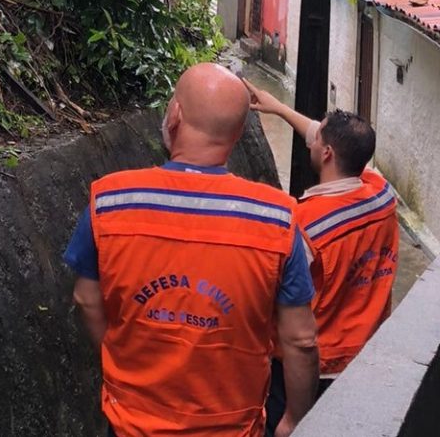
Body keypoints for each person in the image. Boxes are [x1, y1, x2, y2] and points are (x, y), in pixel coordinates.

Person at [63, 63, 319, 437]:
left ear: (176, 115)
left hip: (131, 422)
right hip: (231, 426)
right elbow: (301, 339)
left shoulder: (111, 199)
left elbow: (86, 299)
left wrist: (124, 360)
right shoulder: (277, 219)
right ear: (237, 132)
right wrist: (295, 418)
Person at [244, 81, 399, 432]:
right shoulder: (382, 194)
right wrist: (279, 108)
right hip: (365, 356)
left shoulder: (303, 225)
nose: (312, 137)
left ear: (326, 153)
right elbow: (326, 137)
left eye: (317, 139)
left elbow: (272, 301)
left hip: (312, 369)